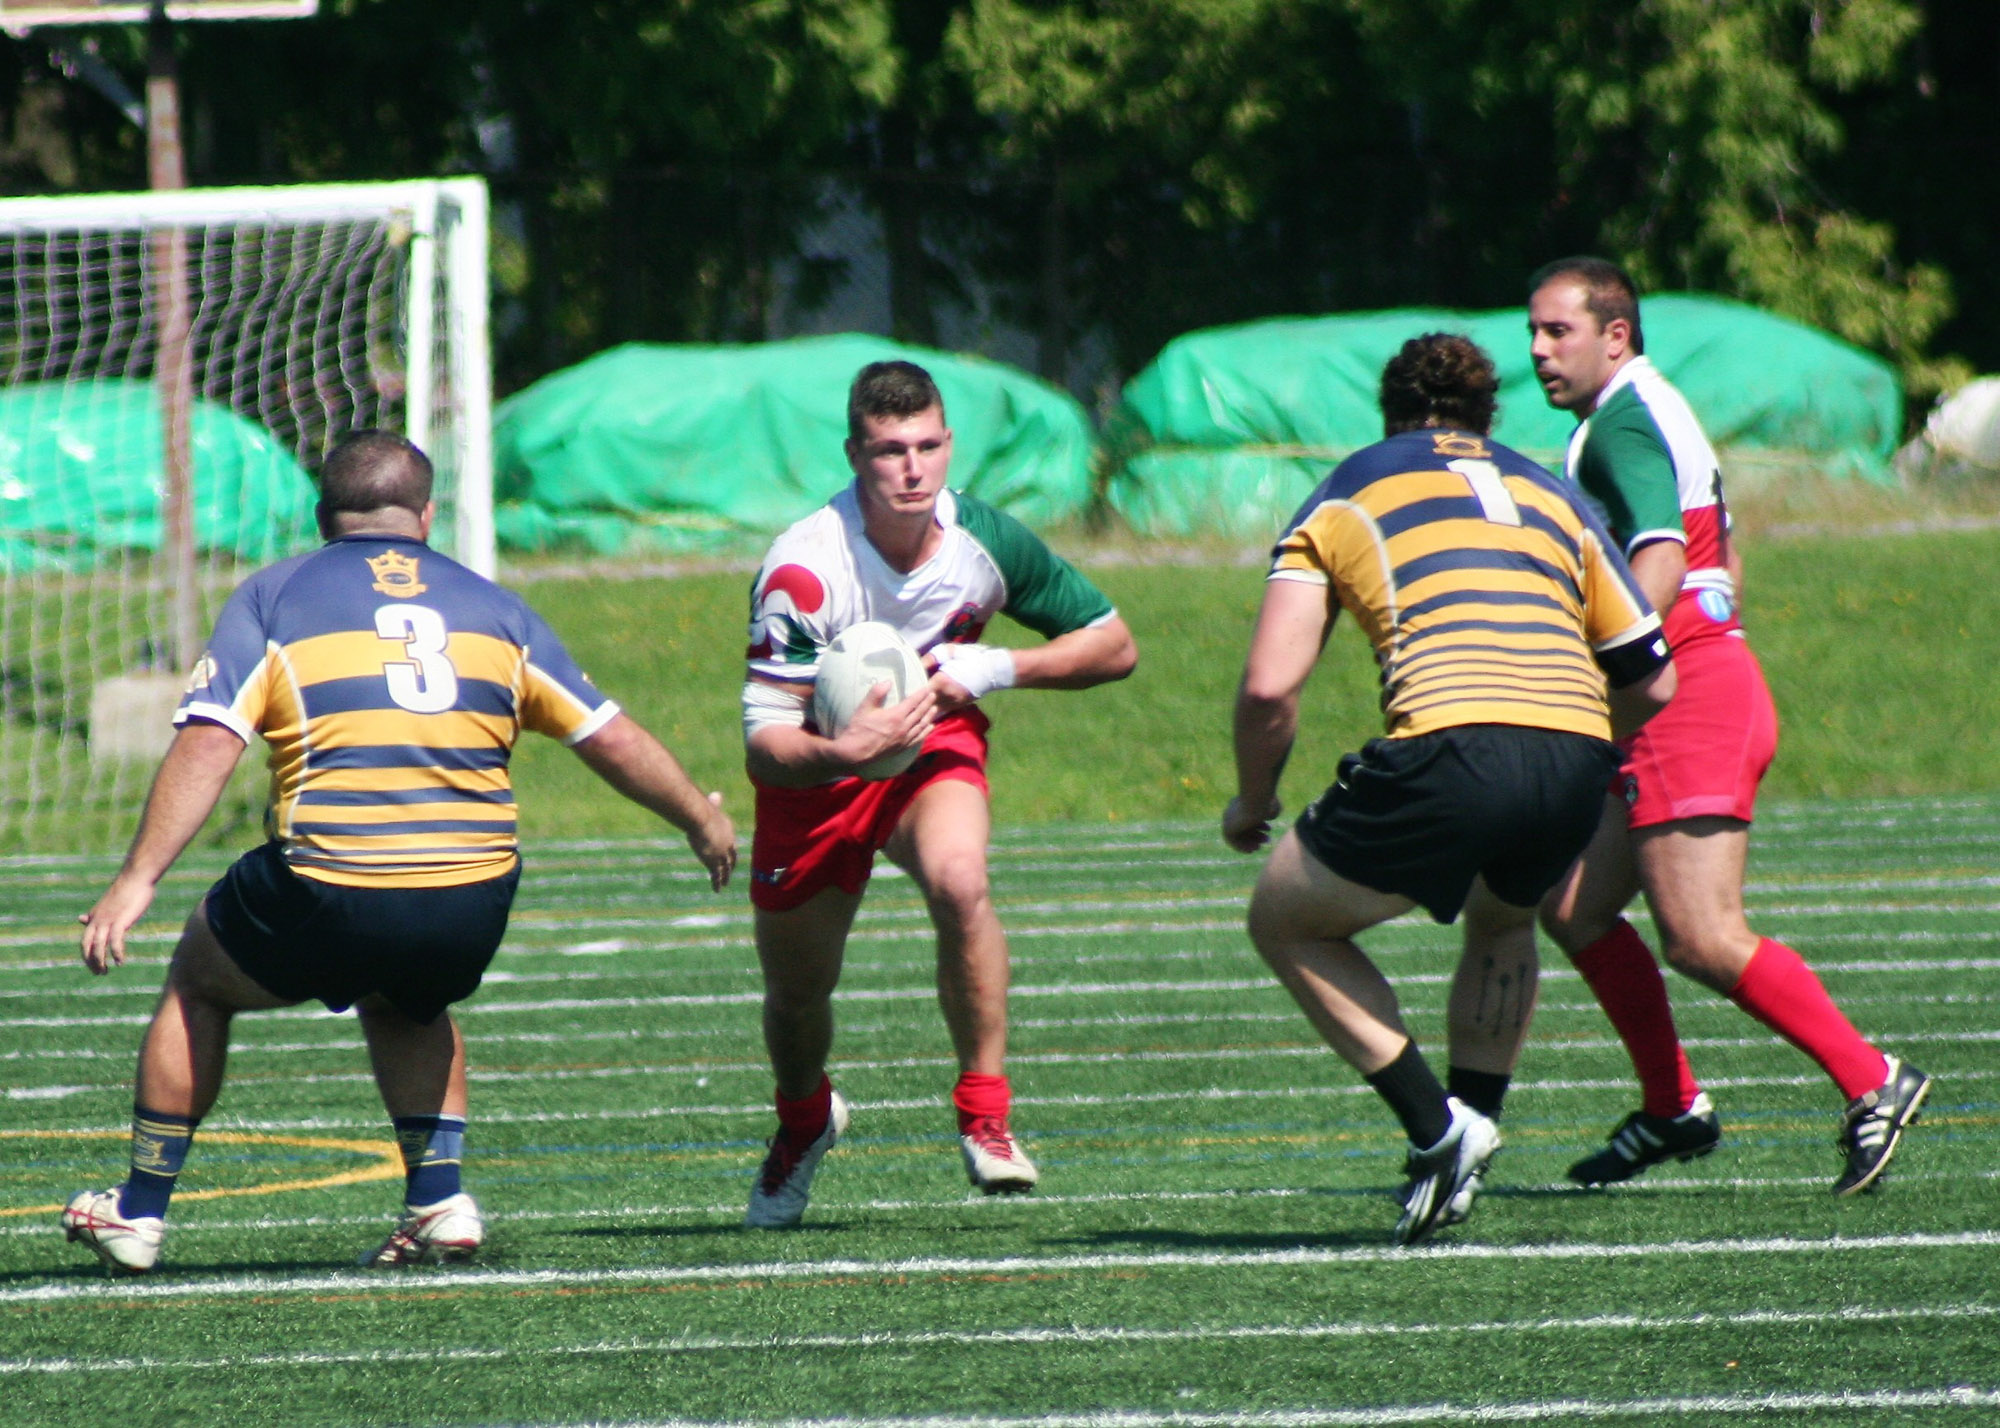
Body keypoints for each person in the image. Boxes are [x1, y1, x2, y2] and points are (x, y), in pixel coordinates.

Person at [62, 431, 737, 1275]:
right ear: (425, 514)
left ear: (322, 518)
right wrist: (699, 821)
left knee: (199, 979)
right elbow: (609, 736)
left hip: (332, 880)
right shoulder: (495, 607)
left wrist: (137, 880)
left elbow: (209, 742)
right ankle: (438, 1201)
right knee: (409, 993)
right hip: (474, 894)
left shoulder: (276, 595)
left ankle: (138, 1212)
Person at [1222, 332, 1676, 1246]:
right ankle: (1469, 1140)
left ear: (1393, 415)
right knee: (1503, 918)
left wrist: (1252, 801)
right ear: (1487, 416)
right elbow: (1653, 679)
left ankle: (1438, 1132)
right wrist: (1572, 745)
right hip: (1577, 750)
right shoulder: (1554, 490)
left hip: (1451, 740)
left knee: (1284, 918)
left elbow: (1271, 686)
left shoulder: (1354, 483)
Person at [1516, 256, 1930, 1194]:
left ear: (1616, 335)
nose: (1538, 352)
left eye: (1557, 332)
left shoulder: (1621, 421)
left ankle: (1874, 1079)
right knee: (1575, 907)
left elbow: (1663, 555)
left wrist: (1608, 667)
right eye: (1533, 334)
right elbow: (1725, 559)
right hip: (1698, 682)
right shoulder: (1650, 407)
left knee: (1702, 934)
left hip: (1687, 697)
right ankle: (1672, 1108)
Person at [740, 359, 1136, 1228]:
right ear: (855, 455)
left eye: (926, 446)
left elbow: (1114, 645)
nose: (912, 469)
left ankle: (985, 1116)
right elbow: (766, 749)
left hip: (931, 746)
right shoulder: (804, 568)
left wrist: (992, 667)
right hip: (820, 769)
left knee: (962, 882)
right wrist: (841, 748)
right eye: (889, 451)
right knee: (798, 996)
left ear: (950, 445)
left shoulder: (985, 540)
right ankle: (805, 1123)